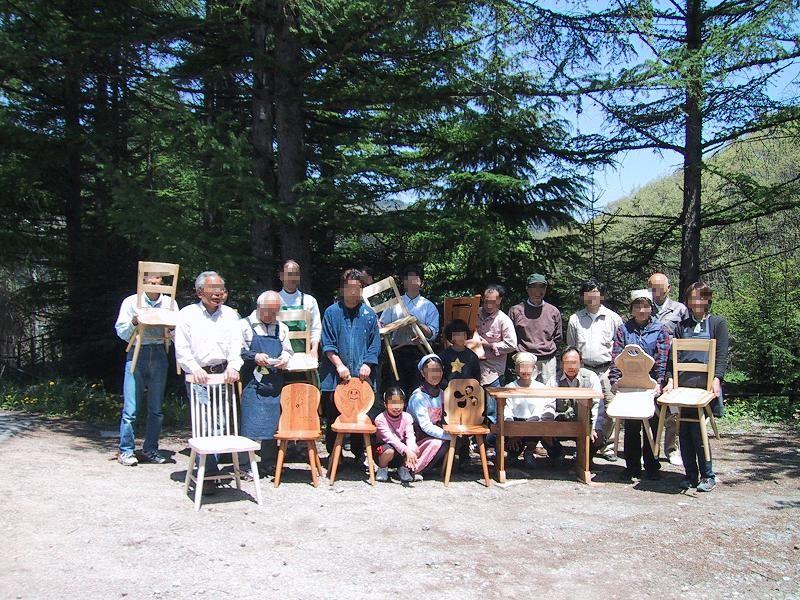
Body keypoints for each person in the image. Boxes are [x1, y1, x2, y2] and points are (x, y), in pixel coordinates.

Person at [175, 271, 243, 491]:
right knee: (203, 424)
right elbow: (181, 349)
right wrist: (194, 369)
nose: (217, 294)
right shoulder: (187, 314)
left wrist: (233, 367)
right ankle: (209, 473)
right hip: (198, 376)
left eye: (220, 289)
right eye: (212, 289)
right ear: (199, 292)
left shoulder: (230, 315)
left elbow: (236, 346)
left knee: (221, 423)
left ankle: (210, 469)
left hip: (223, 375)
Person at [665, 281, 729, 492]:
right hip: (684, 386)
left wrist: (717, 379)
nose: (696, 302)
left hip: (704, 387)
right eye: (692, 298)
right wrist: (670, 380)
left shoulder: (717, 323)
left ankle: (707, 475)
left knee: (698, 431)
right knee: (683, 430)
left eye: (701, 297)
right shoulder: (681, 326)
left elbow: (721, 355)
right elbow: (672, 358)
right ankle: (690, 475)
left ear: (708, 299)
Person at [114, 271, 179, 466]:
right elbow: (121, 332)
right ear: (143, 281)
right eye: (150, 278)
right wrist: (135, 321)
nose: (154, 282)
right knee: (131, 409)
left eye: (158, 278)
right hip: (137, 351)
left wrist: (171, 327)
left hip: (159, 352)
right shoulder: (131, 301)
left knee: (156, 409)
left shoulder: (170, 303)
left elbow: (178, 334)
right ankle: (126, 450)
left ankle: (150, 449)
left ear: (162, 281)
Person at [320, 268, 381, 464]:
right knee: (333, 413)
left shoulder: (369, 314)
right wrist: (339, 365)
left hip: (362, 374)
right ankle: (334, 453)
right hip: (335, 374)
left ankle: (358, 453)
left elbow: (374, 344)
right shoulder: (331, 313)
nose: (354, 292)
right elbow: (327, 344)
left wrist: (368, 364)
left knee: (361, 413)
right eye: (350, 288)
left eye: (358, 288)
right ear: (343, 289)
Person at [609, 290, 671, 482]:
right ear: (632, 308)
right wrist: (614, 380)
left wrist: (659, 383)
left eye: (645, 306)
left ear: (651, 308)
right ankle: (632, 467)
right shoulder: (623, 329)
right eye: (637, 306)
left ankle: (652, 466)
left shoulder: (660, 330)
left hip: (650, 385)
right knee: (631, 426)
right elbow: (616, 356)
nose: (642, 310)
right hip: (629, 385)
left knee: (652, 426)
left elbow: (662, 359)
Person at [566, 279, 623, 461]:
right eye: (588, 292)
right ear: (583, 296)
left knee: (610, 408)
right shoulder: (575, 319)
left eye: (596, 292)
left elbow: (619, 346)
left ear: (602, 295)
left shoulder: (613, 318)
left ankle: (607, 445)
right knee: (582, 408)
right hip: (584, 370)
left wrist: (616, 370)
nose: (592, 296)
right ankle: (584, 444)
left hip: (607, 369)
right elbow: (571, 347)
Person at [238, 291, 293, 479]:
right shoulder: (244, 325)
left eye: (276, 312)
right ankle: (244, 465)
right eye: (269, 311)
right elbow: (237, 351)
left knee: (272, 424)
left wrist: (284, 359)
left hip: (274, 381)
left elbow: (288, 350)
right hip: (252, 382)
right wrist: (255, 356)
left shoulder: (282, 328)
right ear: (259, 307)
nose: (272, 316)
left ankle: (269, 462)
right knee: (249, 424)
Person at [648, 272, 690, 465]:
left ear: (668, 288)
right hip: (650, 367)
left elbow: (685, 337)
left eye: (660, 287)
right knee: (651, 411)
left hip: (672, 366)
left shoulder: (680, 309)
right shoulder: (644, 306)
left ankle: (672, 449)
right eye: (652, 287)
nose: (656, 291)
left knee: (673, 410)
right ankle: (651, 450)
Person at [379, 265, 439, 398]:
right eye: (408, 279)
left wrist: (417, 323)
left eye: (415, 278)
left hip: (419, 353)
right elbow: (382, 326)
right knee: (397, 392)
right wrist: (378, 324)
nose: (412, 282)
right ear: (404, 282)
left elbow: (433, 334)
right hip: (397, 353)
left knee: (418, 392)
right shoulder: (393, 304)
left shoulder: (428, 306)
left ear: (421, 282)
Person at [545, 347, 606, 467]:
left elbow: (597, 405)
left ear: (581, 362)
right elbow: (548, 405)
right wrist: (548, 425)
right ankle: (557, 455)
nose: (571, 366)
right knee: (544, 433)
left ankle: (584, 458)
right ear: (561, 364)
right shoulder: (554, 380)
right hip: (562, 424)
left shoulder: (591, 377)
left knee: (598, 436)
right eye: (567, 363)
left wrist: (595, 427)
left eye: (574, 362)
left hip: (584, 424)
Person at [503, 352, 558, 469]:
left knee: (541, 428)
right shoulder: (509, 387)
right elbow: (507, 410)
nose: (525, 371)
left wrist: (526, 429)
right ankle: (513, 453)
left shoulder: (541, 387)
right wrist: (512, 432)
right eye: (522, 367)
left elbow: (540, 410)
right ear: (516, 369)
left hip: (534, 423)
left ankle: (530, 451)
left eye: (528, 367)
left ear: (534, 368)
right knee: (511, 452)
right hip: (515, 423)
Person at [508, 274, 562, 383]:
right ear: (527, 288)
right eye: (534, 286)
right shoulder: (516, 311)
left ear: (545, 289)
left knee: (548, 391)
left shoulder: (553, 311)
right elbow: (510, 338)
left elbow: (558, 338)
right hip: (524, 360)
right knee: (524, 392)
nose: (538, 291)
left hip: (547, 361)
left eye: (541, 287)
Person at [476, 284, 517, 425]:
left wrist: (487, 345)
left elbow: (511, 345)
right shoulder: (474, 313)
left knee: (492, 411)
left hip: (492, 372)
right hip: (473, 369)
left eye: (492, 302)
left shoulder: (503, 319)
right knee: (473, 407)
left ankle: (492, 437)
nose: (488, 305)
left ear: (499, 300)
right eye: (486, 301)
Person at [407, 354, 450, 477]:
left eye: (438, 370)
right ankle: (414, 468)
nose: (435, 374)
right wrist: (449, 436)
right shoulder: (418, 397)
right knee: (438, 443)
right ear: (422, 373)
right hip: (419, 437)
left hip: (436, 434)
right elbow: (425, 426)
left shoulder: (442, 394)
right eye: (431, 371)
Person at [277, 259, 322, 358]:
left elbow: (316, 328)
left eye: (295, 274)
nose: (292, 278)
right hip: (280, 356)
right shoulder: (274, 301)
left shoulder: (309, 301)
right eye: (289, 274)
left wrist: (314, 349)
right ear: (281, 276)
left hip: (304, 355)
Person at [374, 387, 418, 483]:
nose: (397, 407)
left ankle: (403, 468)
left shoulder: (407, 417)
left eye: (400, 403)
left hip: (401, 451)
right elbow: (390, 439)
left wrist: (411, 450)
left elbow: (410, 435)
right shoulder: (380, 419)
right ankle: (382, 469)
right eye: (393, 403)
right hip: (384, 450)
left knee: (415, 448)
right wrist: (406, 450)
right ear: (385, 404)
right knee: (389, 451)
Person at [438, 319, 481, 386]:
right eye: (457, 335)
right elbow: (440, 377)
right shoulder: (443, 356)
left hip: (467, 390)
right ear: (450, 336)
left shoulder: (472, 356)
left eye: (463, 334)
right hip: (448, 390)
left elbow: (476, 377)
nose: (461, 337)